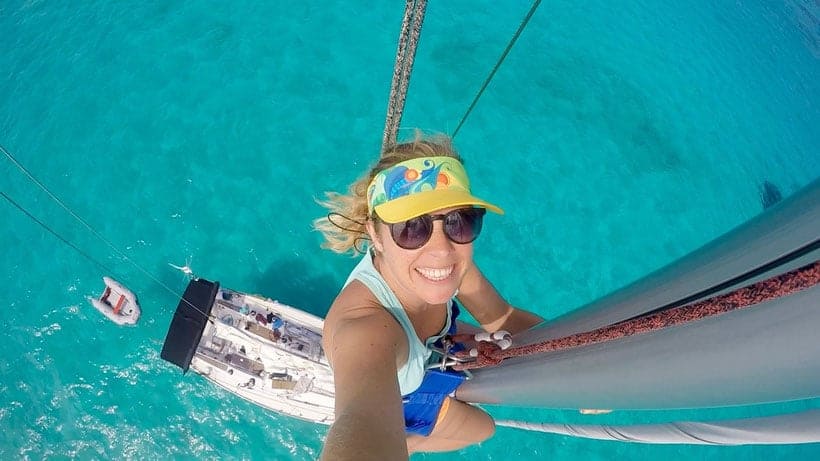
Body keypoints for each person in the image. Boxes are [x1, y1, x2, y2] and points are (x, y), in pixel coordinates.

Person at [314, 133, 543, 460]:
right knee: (483, 427)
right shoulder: (365, 329)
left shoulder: (452, 264)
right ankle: (412, 441)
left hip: (439, 346)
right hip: (403, 398)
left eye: (459, 221)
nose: (442, 248)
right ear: (375, 235)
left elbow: (504, 318)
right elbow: (362, 423)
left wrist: (585, 361)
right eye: (411, 227)